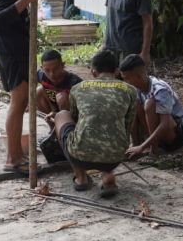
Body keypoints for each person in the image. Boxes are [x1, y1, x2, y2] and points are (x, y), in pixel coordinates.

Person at [0, 0, 52, 173]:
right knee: (18, 102)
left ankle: (16, 154)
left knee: (22, 101)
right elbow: (0, 19)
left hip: (16, 49)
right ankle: (12, 158)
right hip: (11, 51)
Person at [51, 50, 137, 198]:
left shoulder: (78, 88)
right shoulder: (130, 91)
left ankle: (81, 178)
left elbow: (76, 121)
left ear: (92, 71)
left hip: (80, 156)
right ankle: (108, 175)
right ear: (117, 71)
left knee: (61, 115)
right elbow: (128, 125)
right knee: (113, 130)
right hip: (115, 157)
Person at [119, 55, 183, 157]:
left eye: (127, 79)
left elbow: (165, 123)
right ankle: (136, 144)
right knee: (134, 104)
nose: (126, 82)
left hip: (178, 134)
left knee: (150, 104)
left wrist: (142, 147)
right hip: (162, 133)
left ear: (138, 76)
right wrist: (136, 144)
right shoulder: (137, 89)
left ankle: (153, 147)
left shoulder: (160, 89)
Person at [36, 49, 82, 114]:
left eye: (56, 69)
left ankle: (64, 120)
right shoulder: (40, 75)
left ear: (63, 65)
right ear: (42, 68)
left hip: (69, 112)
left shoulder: (75, 82)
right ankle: (48, 119)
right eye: (47, 70)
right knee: (38, 91)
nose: (51, 74)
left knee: (62, 97)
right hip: (52, 108)